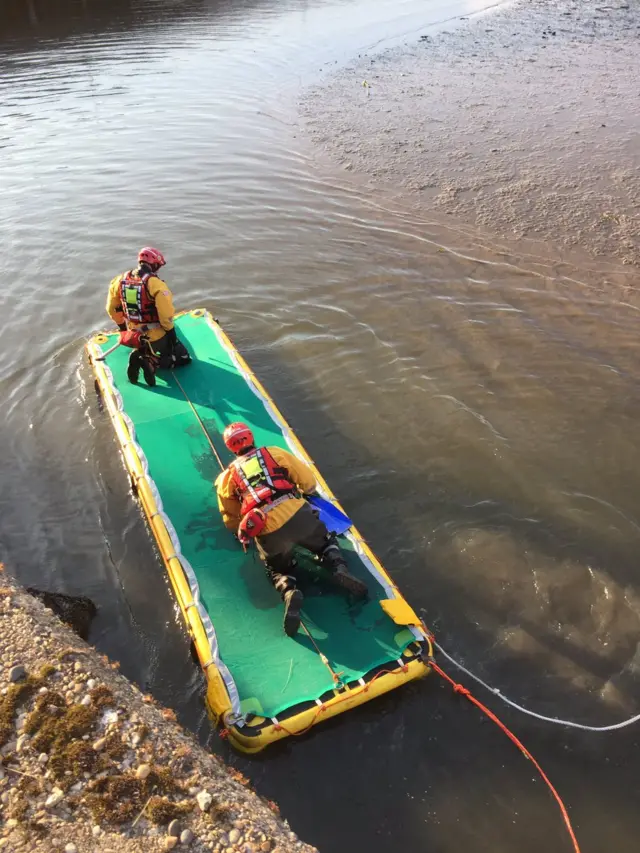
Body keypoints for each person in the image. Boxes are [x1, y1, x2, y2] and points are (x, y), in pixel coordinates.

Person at [215, 422, 368, 637]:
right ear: (251, 437)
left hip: (266, 530)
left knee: (277, 569)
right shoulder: (274, 453)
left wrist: (243, 528)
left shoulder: (226, 479)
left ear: (230, 447)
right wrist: (305, 492)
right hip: (297, 515)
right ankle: (337, 565)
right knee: (325, 541)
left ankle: (288, 588)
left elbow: (230, 519)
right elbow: (307, 481)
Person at [106, 247, 191, 386]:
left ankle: (141, 352)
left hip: (133, 333)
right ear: (155, 265)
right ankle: (152, 362)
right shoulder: (157, 285)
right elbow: (166, 316)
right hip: (155, 335)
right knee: (184, 359)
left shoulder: (119, 280)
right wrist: (173, 339)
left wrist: (123, 330)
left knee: (144, 343)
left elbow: (111, 308)